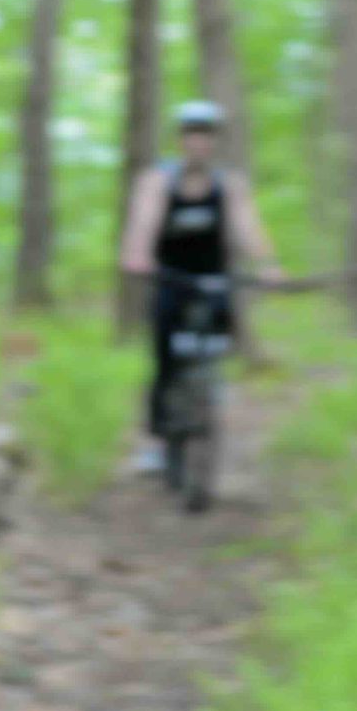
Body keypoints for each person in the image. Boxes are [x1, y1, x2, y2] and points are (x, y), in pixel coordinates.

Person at [115, 99, 283, 473]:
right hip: (170, 278)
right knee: (164, 362)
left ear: (214, 141)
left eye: (206, 134)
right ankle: (157, 442)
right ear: (181, 139)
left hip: (215, 279)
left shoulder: (228, 184)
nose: (199, 141)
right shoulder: (159, 180)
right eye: (192, 134)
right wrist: (137, 255)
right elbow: (143, 221)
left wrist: (267, 264)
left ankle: (211, 387)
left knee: (220, 333)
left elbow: (247, 225)